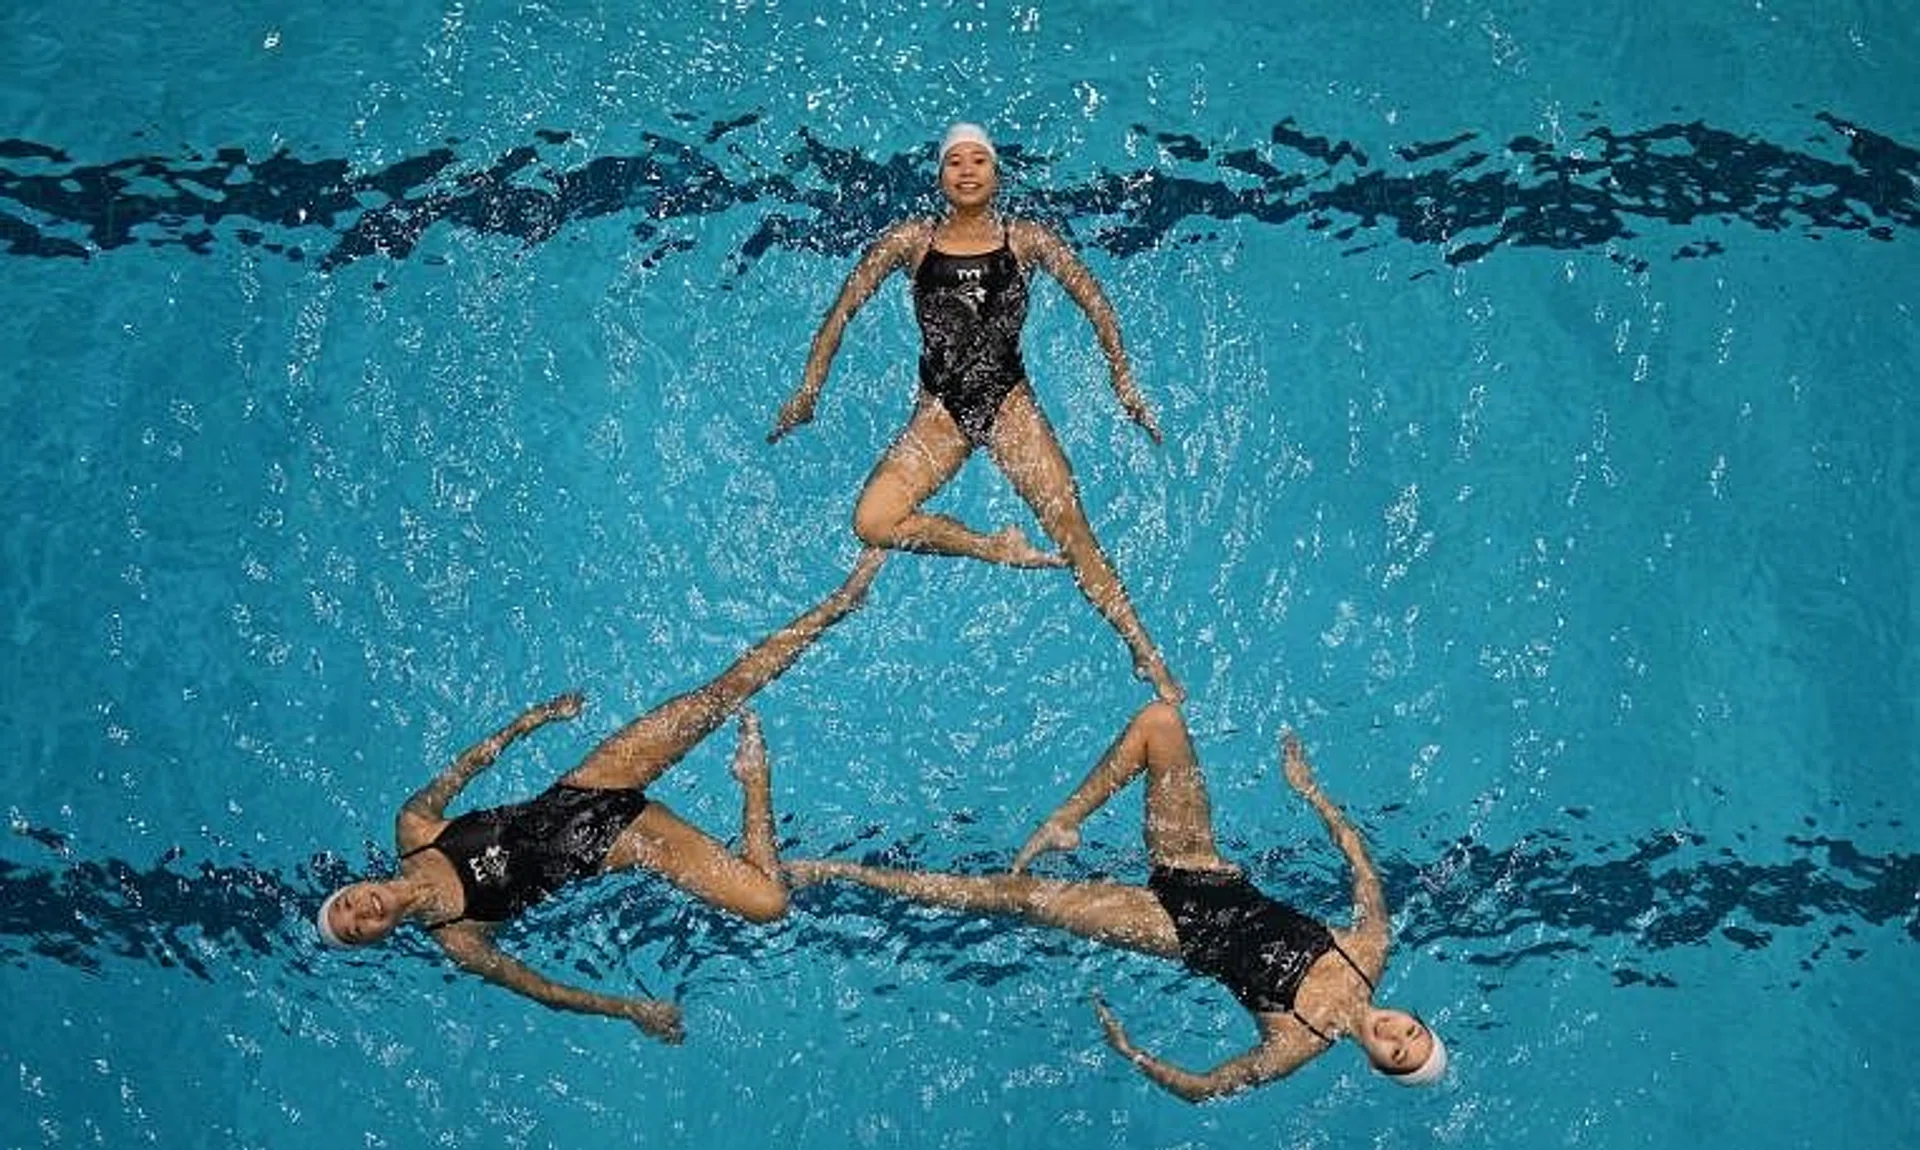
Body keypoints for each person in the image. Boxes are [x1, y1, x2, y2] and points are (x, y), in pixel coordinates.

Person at [315, 549, 886, 1041]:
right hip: (633, 843)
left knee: (724, 691)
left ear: (350, 889)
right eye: (356, 930)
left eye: (345, 906)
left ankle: (842, 600)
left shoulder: (413, 829)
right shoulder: (460, 940)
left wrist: (533, 720)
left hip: (592, 782)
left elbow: (467, 765)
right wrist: (631, 1010)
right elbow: (544, 990)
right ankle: (754, 780)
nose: (360, 913)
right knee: (770, 905)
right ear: (375, 939)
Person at [787, 702, 1446, 1100]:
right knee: (1160, 723)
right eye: (1412, 1033)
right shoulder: (1370, 950)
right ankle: (1064, 820)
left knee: (1013, 897)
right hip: (1205, 870)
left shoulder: (1298, 1046)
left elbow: (1202, 1089)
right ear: (1414, 1019)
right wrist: (1309, 791)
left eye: (1396, 1053)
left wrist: (1130, 1050)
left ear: (1375, 1065)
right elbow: (1359, 860)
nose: (1396, 1034)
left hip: (1169, 927)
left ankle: (839, 873)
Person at [769, 122, 1183, 704]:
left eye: (978, 161)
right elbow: (842, 312)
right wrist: (809, 392)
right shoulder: (909, 242)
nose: (966, 171)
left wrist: (1123, 382)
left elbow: (1095, 302)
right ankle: (992, 546)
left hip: (1009, 403)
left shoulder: (1028, 240)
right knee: (874, 521)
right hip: (940, 411)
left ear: (996, 173)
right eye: (953, 162)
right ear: (939, 177)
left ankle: (1144, 651)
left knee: (1075, 534)